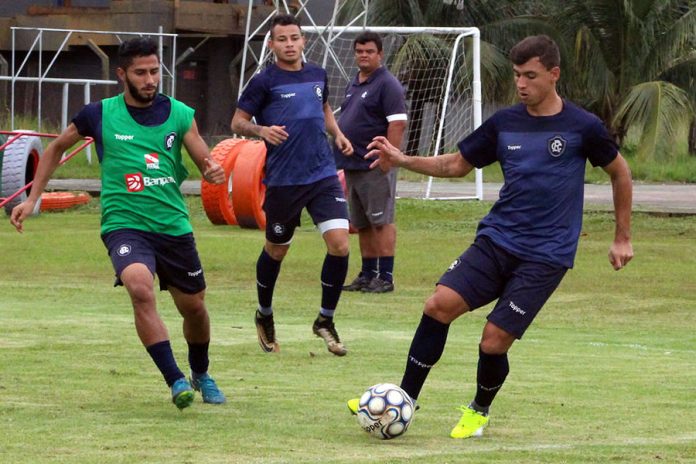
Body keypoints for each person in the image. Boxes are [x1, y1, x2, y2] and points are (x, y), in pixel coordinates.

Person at [348, 35, 633, 438]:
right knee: (438, 305)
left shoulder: (582, 127)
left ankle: (479, 410)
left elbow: (620, 172)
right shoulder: (505, 123)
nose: (521, 83)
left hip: (546, 254)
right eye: (517, 75)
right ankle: (402, 401)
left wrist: (622, 237)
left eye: (530, 75)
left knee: (493, 340)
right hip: (497, 240)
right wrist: (402, 159)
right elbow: (457, 164)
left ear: (553, 75)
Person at [10, 37, 228, 410]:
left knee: (193, 308)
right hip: (123, 222)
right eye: (141, 73)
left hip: (172, 224)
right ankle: (175, 380)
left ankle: (200, 371)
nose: (150, 79)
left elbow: (205, 161)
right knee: (140, 287)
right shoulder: (99, 113)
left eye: (155, 72)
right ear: (122, 74)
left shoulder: (179, 113)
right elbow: (56, 148)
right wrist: (33, 198)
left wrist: (214, 171)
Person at [231, 14, 353, 356]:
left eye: (294, 38)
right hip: (284, 180)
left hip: (323, 174)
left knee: (340, 245)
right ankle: (265, 314)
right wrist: (261, 130)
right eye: (281, 39)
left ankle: (325, 320)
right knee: (277, 250)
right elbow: (237, 121)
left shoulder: (318, 74)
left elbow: (324, 106)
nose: (289, 44)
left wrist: (338, 133)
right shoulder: (263, 81)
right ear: (271, 45)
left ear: (304, 41)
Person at [336, 31, 407, 294]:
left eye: (369, 51)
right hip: (352, 163)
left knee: (381, 220)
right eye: (359, 51)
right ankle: (367, 275)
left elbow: (398, 122)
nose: (363, 56)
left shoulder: (387, 84)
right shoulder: (354, 82)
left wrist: (389, 156)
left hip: (375, 164)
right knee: (362, 222)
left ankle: (385, 277)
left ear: (380, 54)